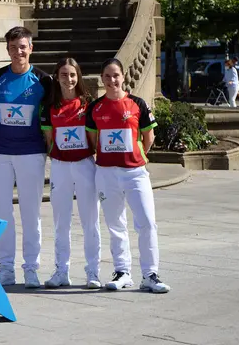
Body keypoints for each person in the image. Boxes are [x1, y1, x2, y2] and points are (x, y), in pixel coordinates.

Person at [86, 58, 171, 293]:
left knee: (147, 222)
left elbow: (148, 137)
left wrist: (135, 156)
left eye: (116, 75)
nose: (112, 80)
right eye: (107, 76)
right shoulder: (95, 108)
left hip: (135, 173)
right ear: (102, 79)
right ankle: (122, 272)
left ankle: (150, 274)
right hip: (106, 173)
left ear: (123, 77)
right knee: (115, 224)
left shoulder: (137, 104)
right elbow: (92, 141)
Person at [0, 26, 52, 288]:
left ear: (31, 48)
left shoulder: (43, 80)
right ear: (7, 50)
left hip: (31, 154)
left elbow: (50, 118)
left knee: (30, 213)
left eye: (23, 47)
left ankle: (31, 268)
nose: (18, 52)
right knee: (1, 213)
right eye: (13, 48)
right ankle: (5, 268)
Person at [40, 58, 102, 289]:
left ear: (79, 77)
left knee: (90, 221)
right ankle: (61, 271)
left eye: (72, 74)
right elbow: (49, 140)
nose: (69, 79)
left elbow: (94, 139)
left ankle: (93, 272)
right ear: (57, 77)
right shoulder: (50, 107)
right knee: (61, 222)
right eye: (64, 75)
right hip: (60, 167)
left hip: (85, 165)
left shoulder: (89, 105)